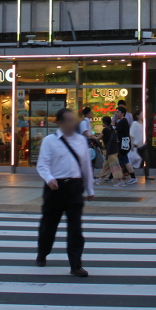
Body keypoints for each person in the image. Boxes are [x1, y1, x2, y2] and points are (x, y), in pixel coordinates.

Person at [36, 107, 95, 278]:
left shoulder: (81, 140)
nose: (73, 123)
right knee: (49, 225)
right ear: (60, 123)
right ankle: (43, 253)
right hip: (55, 187)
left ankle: (76, 265)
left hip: (74, 187)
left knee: (75, 228)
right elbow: (42, 164)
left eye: (73, 120)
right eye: (69, 120)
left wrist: (90, 188)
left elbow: (86, 166)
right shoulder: (49, 141)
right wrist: (49, 178)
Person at [96, 116, 126, 186]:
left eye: (102, 122)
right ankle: (100, 179)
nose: (102, 123)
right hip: (113, 150)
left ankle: (120, 181)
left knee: (115, 166)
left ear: (105, 123)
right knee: (106, 166)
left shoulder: (105, 130)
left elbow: (98, 138)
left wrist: (91, 137)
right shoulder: (112, 129)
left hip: (111, 151)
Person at [115, 110, 136, 185]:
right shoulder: (124, 121)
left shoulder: (122, 121)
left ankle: (124, 179)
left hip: (123, 144)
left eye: (118, 112)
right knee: (124, 160)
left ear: (122, 113)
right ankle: (131, 177)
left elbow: (116, 131)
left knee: (123, 160)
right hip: (124, 143)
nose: (116, 114)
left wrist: (113, 123)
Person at [130, 109, 152, 181]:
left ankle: (147, 175)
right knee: (134, 160)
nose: (143, 116)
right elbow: (131, 135)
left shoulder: (143, 123)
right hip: (136, 145)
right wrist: (132, 144)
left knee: (146, 159)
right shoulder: (134, 124)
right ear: (137, 116)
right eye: (141, 114)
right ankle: (127, 172)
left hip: (143, 145)